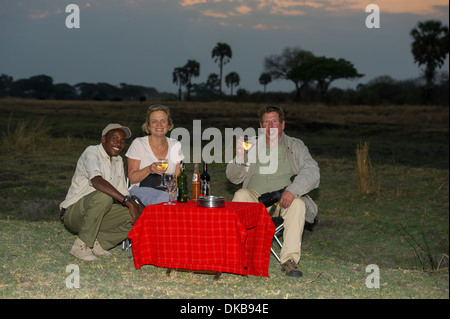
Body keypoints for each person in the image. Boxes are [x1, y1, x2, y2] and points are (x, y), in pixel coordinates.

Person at [226, 105, 320, 277]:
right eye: (266, 123)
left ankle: (289, 261)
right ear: (261, 127)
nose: (270, 127)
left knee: (298, 203)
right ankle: (240, 256)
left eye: (274, 121)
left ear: (282, 124)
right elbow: (233, 178)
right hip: (256, 200)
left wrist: (292, 191)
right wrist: (239, 157)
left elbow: (312, 171)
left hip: (283, 201)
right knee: (241, 194)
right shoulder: (251, 146)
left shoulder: (295, 146)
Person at [60, 123, 143, 261]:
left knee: (138, 213)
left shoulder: (118, 160)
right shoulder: (92, 152)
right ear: (103, 139)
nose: (119, 143)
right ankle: (81, 246)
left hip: (98, 215)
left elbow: (123, 193)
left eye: (122, 140)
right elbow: (97, 182)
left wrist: (136, 206)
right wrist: (127, 201)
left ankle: (99, 243)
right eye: (114, 138)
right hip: (74, 214)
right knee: (104, 195)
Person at [125, 105, 184, 206]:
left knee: (180, 200)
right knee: (165, 199)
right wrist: (149, 169)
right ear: (148, 125)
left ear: (169, 124)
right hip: (140, 190)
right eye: (154, 121)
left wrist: (170, 190)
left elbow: (178, 178)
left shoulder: (175, 145)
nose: (159, 125)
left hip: (166, 191)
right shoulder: (139, 143)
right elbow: (132, 179)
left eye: (163, 121)